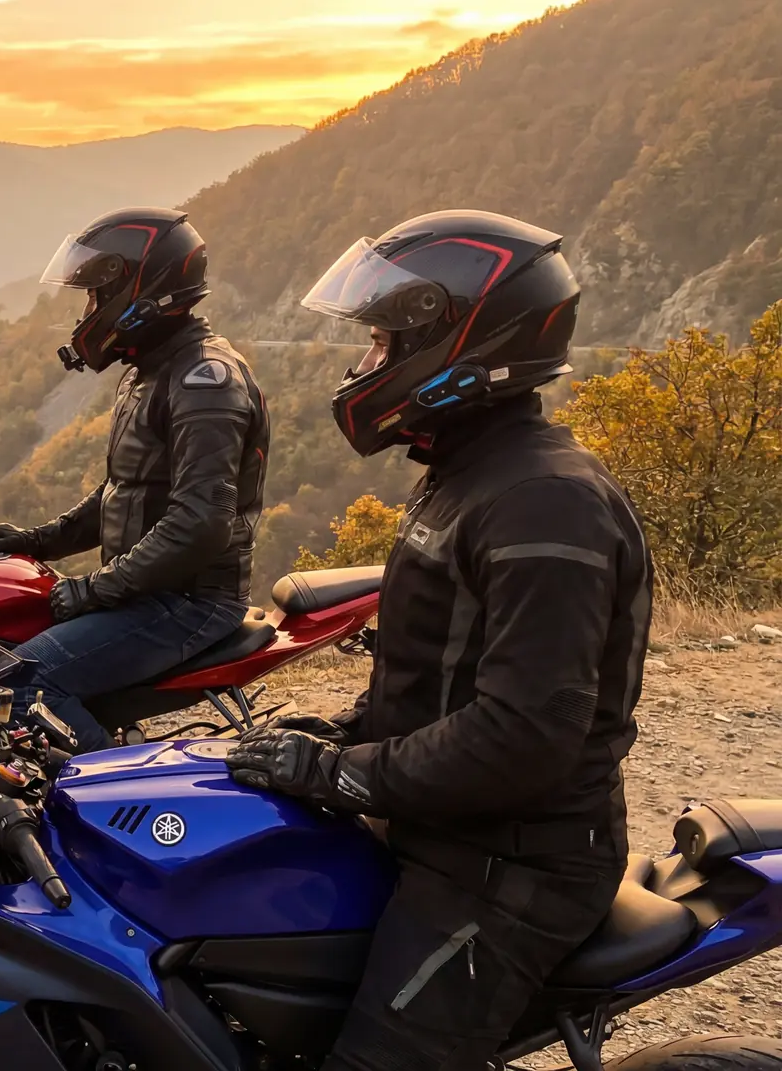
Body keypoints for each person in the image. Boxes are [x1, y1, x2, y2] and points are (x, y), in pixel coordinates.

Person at [224, 210, 654, 1071]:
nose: (368, 364)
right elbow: (439, 670)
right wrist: (340, 737)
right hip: (441, 826)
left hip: (507, 867)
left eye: (385, 344)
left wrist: (339, 776)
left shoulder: (544, 503)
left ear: (465, 342)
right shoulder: (470, 474)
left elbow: (523, 736)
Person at [0, 208, 268, 753]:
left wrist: (92, 591)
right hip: (152, 594)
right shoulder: (153, 371)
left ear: (143, 291)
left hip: (188, 603)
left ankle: (114, 800)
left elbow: (201, 523)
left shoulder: (205, 383)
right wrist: (36, 541)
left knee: (22, 683)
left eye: (97, 296)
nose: (88, 312)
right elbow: (122, 492)